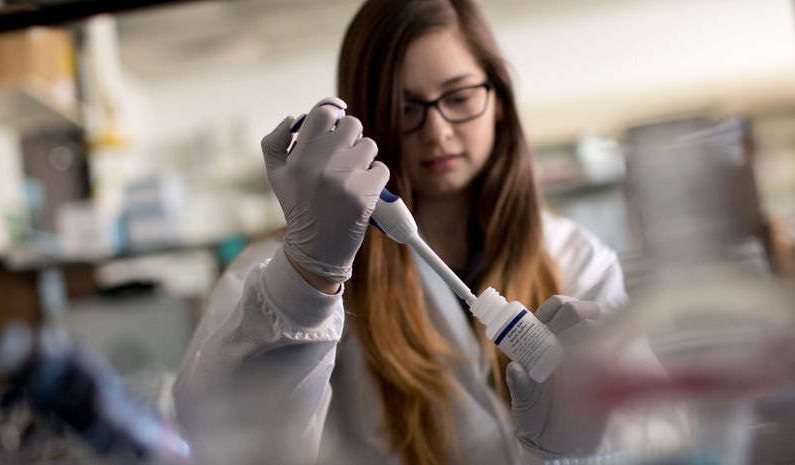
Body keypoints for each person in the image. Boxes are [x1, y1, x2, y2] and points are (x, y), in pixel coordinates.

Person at [172, 0, 631, 464]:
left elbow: (662, 432)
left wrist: (577, 446)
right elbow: (223, 440)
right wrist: (308, 277)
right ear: (366, 121)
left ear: (498, 101)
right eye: (405, 107)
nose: (436, 131)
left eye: (458, 97)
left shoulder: (577, 258)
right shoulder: (284, 269)